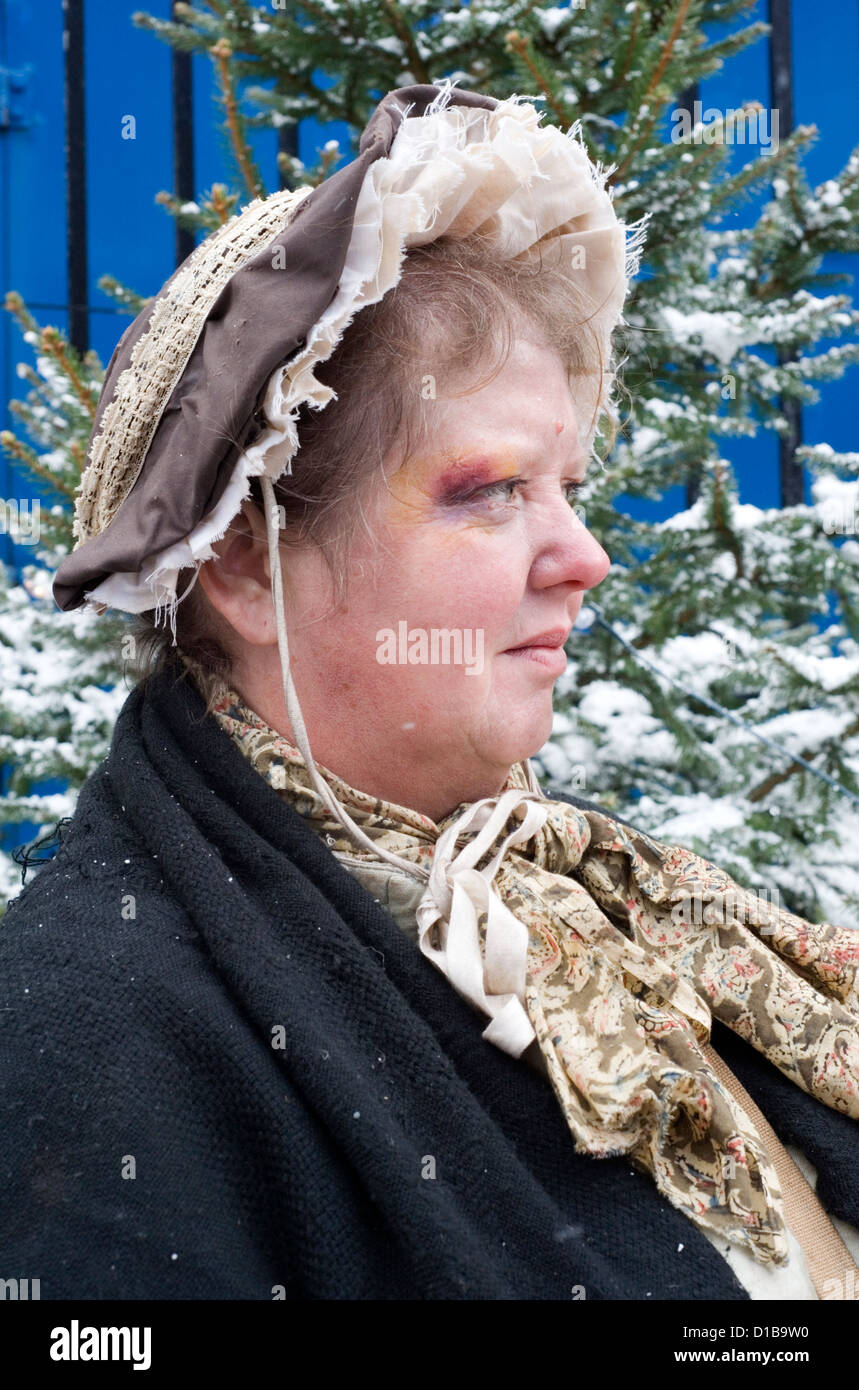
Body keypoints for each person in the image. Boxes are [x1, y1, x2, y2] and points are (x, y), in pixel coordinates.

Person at [2, 81, 858, 1302]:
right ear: (245, 564)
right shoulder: (104, 1043)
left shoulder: (575, 907)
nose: (584, 556)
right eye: (491, 490)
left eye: (568, 485)